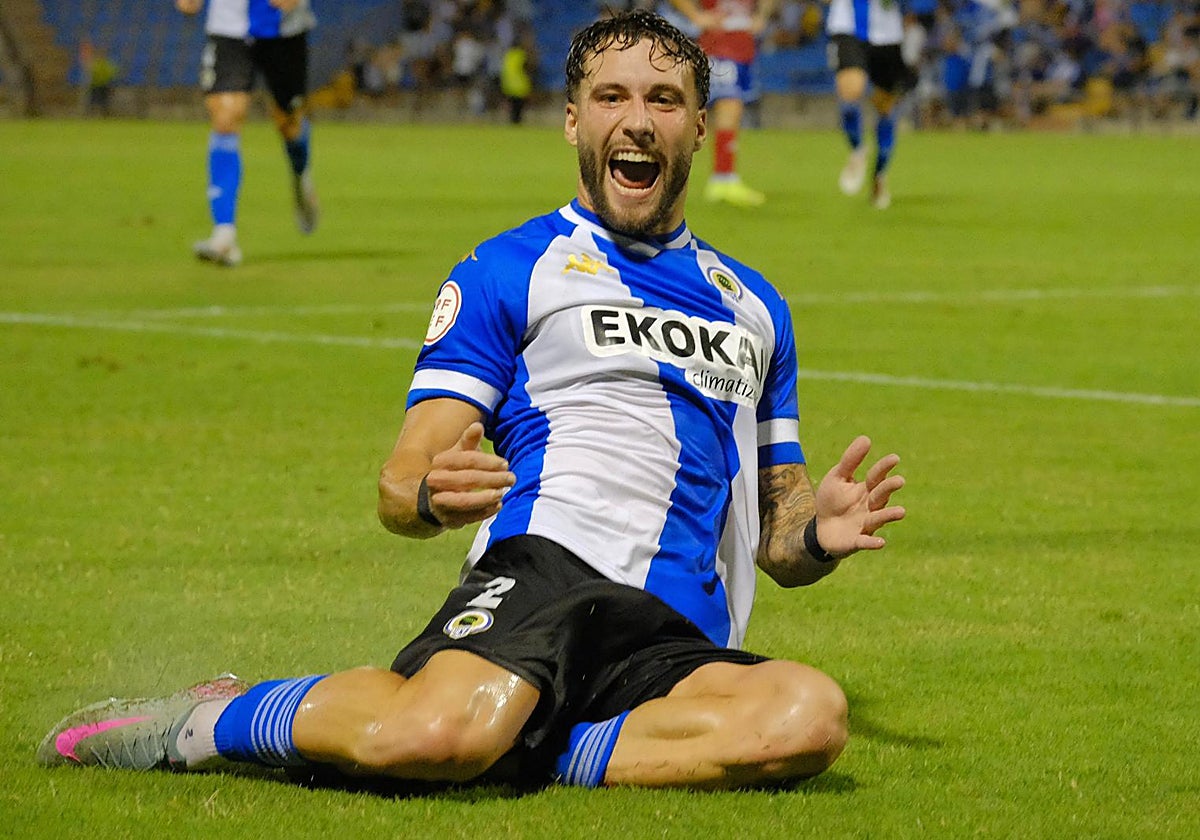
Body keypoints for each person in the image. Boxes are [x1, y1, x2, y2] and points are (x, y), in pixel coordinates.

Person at [37, 10, 905, 792]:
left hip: (679, 634)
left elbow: (779, 534)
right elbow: (402, 477)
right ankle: (205, 720)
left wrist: (818, 535)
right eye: (611, 96)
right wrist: (425, 495)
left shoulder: (756, 308)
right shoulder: (509, 270)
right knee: (434, 736)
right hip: (545, 576)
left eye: (665, 99)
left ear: (697, 125)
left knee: (807, 714)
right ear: (575, 120)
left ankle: (529, 737)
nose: (637, 118)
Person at [175, 0, 320, 267]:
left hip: (284, 29)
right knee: (225, 115)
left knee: (289, 124)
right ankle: (224, 235)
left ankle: (301, 173)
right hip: (228, 28)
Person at [667, 0, 779, 207]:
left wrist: (762, 16)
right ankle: (722, 179)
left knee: (730, 110)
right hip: (718, 45)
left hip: (744, 47)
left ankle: (722, 178)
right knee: (729, 105)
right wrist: (696, 16)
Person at [826, 0, 917, 209]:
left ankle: (879, 175)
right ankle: (858, 150)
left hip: (888, 35)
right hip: (847, 29)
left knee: (885, 110)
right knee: (850, 94)